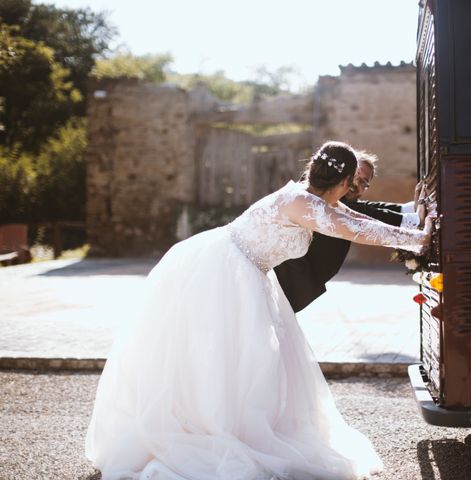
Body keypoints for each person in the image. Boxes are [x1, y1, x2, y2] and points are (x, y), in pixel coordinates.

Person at [85, 141, 432, 480]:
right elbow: (354, 229)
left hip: (248, 272)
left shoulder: (310, 197)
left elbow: (355, 218)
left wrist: (414, 227)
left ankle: (233, 425)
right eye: (352, 184)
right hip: (224, 271)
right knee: (219, 355)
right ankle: (210, 428)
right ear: (343, 183)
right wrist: (418, 239)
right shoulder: (301, 203)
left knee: (250, 360)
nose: (352, 191)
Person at [274, 150, 425, 312]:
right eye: (354, 177)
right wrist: (417, 228)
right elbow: (361, 223)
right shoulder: (311, 198)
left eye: (363, 183)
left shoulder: (322, 196)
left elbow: (363, 211)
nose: (355, 185)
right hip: (283, 279)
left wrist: (408, 213)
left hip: (293, 285)